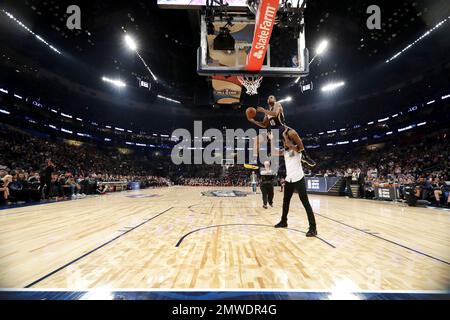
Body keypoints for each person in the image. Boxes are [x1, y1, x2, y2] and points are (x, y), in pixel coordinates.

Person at [270, 128, 317, 237]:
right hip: (289, 179)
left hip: (299, 178)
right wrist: (272, 139)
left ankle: (313, 228)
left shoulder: (297, 149)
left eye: (285, 141)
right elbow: (273, 151)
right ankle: (283, 221)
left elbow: (290, 144)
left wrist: (285, 135)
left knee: (305, 203)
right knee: (285, 202)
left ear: (290, 141)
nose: (283, 143)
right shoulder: (285, 151)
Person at [248, 95, 316, 167]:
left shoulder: (277, 104)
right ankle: (253, 160)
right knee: (256, 140)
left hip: (282, 128)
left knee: (293, 133)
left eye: (271, 97)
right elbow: (264, 125)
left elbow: (275, 113)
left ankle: (305, 156)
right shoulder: (267, 112)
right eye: (268, 98)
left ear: (275, 99)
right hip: (273, 131)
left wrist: (263, 110)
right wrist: (253, 121)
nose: (269, 98)